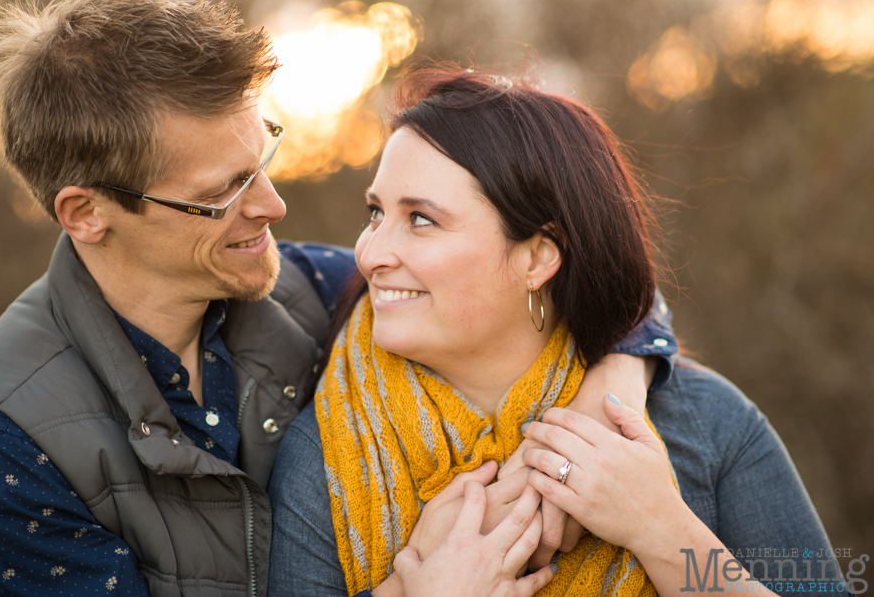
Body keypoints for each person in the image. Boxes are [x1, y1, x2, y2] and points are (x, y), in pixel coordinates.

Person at [0, 0, 677, 597]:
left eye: (262, 157)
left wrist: (601, 406)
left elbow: (574, 279)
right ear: (87, 213)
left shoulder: (316, 288)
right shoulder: (6, 450)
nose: (273, 206)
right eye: (222, 192)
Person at [266, 69, 839, 597]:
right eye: (375, 213)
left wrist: (663, 530)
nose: (370, 253)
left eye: (421, 219)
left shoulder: (705, 424)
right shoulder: (326, 455)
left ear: (539, 256)